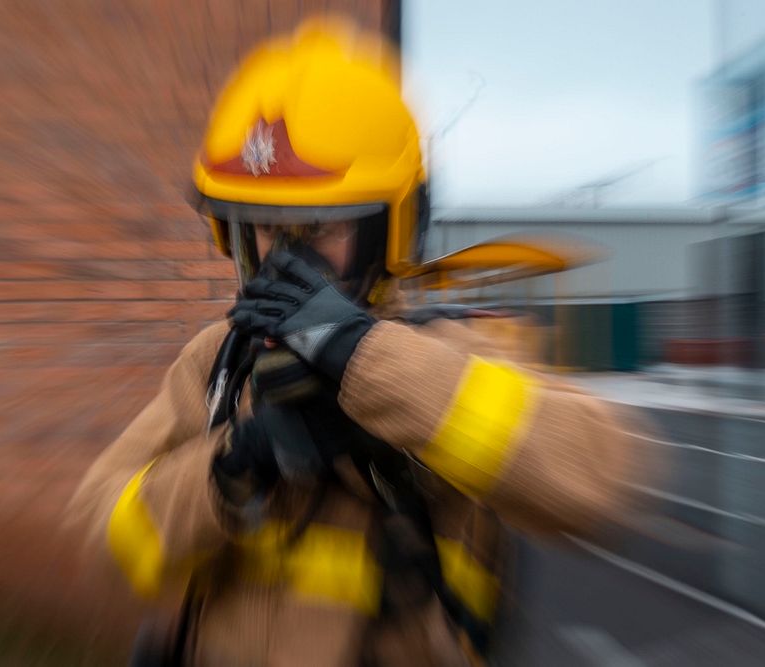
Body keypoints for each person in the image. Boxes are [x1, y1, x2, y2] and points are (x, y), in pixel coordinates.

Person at [68, 19, 649, 667]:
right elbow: (110, 537)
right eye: (262, 227)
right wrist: (232, 465)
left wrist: (362, 361)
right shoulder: (218, 362)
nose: (283, 258)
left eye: (318, 227)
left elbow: (598, 477)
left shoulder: (454, 351)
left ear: (390, 228)